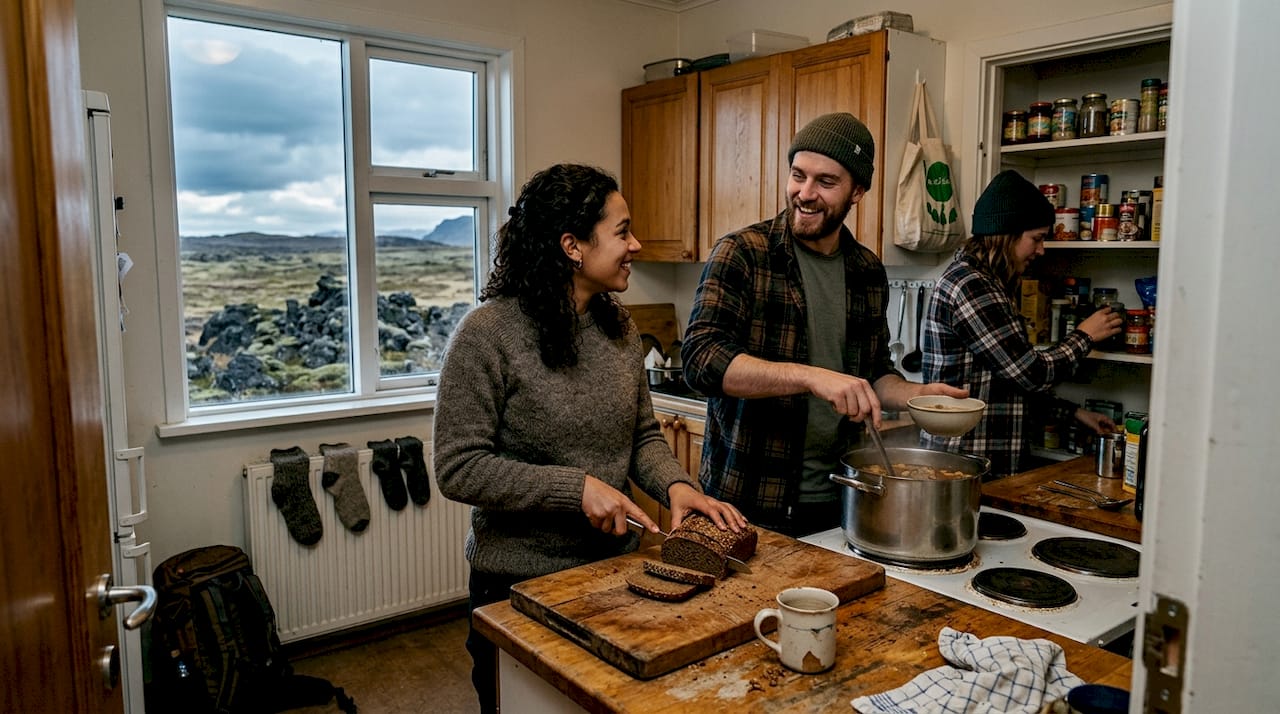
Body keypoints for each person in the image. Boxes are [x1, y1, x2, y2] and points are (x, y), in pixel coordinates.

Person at [432, 163, 747, 714]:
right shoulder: (486, 336)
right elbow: (458, 466)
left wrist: (675, 486)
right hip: (516, 588)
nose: (636, 244)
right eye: (622, 232)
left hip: (612, 576)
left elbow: (642, 434)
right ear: (572, 246)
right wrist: (576, 489)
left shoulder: (619, 327)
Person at [681, 113, 967, 537]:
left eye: (826, 182)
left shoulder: (866, 270)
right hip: (746, 499)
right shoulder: (743, 253)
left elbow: (872, 373)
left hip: (839, 497)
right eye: (798, 175)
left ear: (858, 192)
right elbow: (701, 362)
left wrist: (916, 396)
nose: (805, 193)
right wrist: (812, 377)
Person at [920, 169, 1125, 478]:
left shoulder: (991, 283)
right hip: (964, 467)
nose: (1041, 250)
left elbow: (1008, 382)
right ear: (1007, 234)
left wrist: (1074, 413)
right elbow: (1030, 373)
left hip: (980, 464)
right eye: (1037, 239)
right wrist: (1085, 335)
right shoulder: (972, 286)